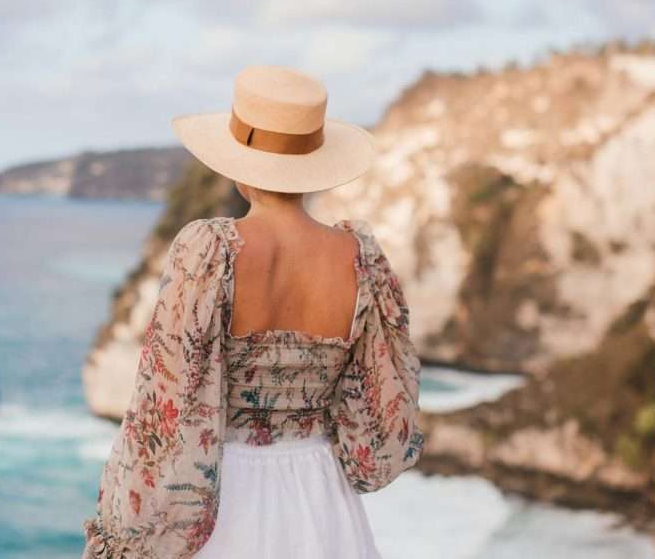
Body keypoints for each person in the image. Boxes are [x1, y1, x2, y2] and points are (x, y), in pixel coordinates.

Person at [82, 65, 425, 558]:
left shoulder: (210, 250)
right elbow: (380, 401)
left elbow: (165, 404)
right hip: (320, 496)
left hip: (223, 499)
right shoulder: (360, 257)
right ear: (315, 162)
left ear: (238, 163)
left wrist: (124, 535)